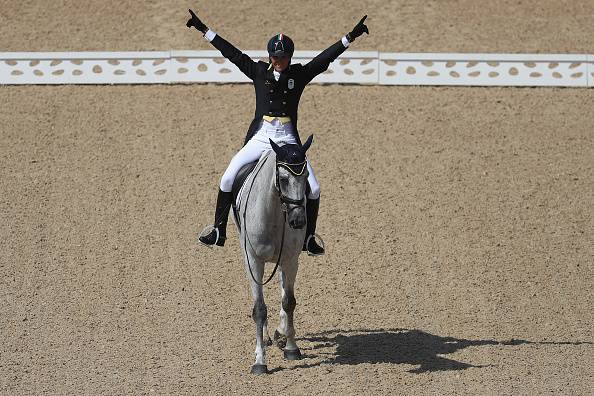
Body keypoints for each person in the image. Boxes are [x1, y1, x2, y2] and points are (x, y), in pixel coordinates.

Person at [187, 8, 369, 256]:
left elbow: (324, 59)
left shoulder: (299, 74)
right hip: (261, 135)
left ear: (290, 57)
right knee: (227, 178)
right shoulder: (259, 72)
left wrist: (350, 37)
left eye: (282, 58)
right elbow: (232, 54)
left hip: (288, 137)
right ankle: (218, 230)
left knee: (313, 188)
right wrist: (204, 30)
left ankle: (308, 238)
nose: (277, 61)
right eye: (274, 57)